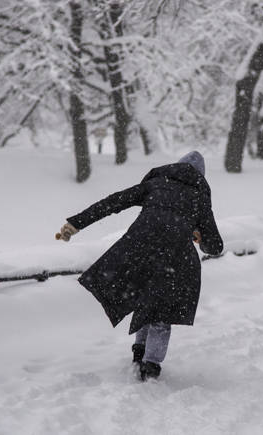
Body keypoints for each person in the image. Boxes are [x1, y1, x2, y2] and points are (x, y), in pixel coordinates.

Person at [58, 151, 223, 381]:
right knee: (162, 309)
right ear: (200, 177)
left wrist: (76, 223)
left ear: (176, 166)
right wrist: (199, 237)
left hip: (140, 248)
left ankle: (139, 353)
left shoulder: (156, 183)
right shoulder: (199, 197)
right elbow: (215, 245)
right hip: (176, 256)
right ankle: (151, 366)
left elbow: (113, 202)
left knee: (145, 295)